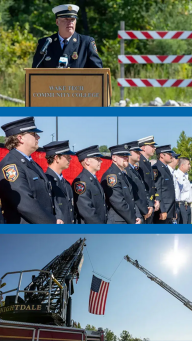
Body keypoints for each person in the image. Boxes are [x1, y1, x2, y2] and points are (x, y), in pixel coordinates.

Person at [0, 117, 58, 224]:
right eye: (34, 134)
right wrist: (51, 222)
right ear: (20, 138)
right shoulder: (11, 165)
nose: (38, 137)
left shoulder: (32, 164)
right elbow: (24, 203)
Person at [32, 4, 102, 69]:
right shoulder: (45, 44)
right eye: (66, 19)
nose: (70, 23)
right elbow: (35, 73)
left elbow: (99, 72)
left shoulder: (86, 43)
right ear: (57, 22)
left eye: (72, 19)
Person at [101, 143, 142, 224]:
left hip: (128, 220)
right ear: (114, 158)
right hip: (118, 222)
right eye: (123, 156)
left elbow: (133, 198)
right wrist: (133, 220)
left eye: (127, 155)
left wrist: (138, 216)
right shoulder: (111, 176)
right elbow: (119, 203)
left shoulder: (123, 174)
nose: (126, 158)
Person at [72, 145, 107, 224]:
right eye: (97, 159)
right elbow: (87, 212)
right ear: (87, 161)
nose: (101, 161)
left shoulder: (92, 179)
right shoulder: (81, 183)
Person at [44, 141, 75, 224]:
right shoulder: (46, 181)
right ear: (57, 158)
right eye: (67, 156)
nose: (70, 158)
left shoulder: (66, 183)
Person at [125, 141, 153, 222]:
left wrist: (150, 205)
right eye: (136, 152)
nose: (139, 154)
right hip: (138, 213)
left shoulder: (135, 170)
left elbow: (144, 190)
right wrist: (144, 211)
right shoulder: (127, 171)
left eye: (139, 151)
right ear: (129, 153)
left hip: (144, 211)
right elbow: (133, 196)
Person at [137, 135, 160, 224]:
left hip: (150, 204)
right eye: (152, 146)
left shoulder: (147, 162)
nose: (154, 148)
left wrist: (156, 199)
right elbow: (140, 187)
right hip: (144, 206)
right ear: (143, 148)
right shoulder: (139, 163)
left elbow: (152, 185)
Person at [152, 145, 176, 224]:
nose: (171, 156)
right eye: (169, 154)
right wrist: (162, 210)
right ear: (162, 155)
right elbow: (158, 190)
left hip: (169, 210)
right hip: (163, 211)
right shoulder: (156, 168)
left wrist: (173, 211)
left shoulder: (165, 168)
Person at [174, 157, 192, 224]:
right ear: (182, 165)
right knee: (182, 230)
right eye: (188, 164)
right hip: (181, 205)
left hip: (188, 206)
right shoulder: (176, 175)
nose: (189, 166)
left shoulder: (186, 176)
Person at [167, 152, 181, 223]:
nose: (178, 160)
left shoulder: (173, 172)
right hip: (171, 205)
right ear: (171, 159)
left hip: (175, 204)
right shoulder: (168, 171)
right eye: (176, 158)